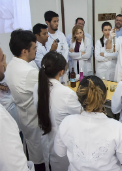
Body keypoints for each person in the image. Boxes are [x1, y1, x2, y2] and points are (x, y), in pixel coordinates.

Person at [54, 76, 122, 171]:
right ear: (104, 98)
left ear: (79, 98)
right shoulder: (116, 127)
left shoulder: (67, 122)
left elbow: (60, 152)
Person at [33, 51, 81, 171]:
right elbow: (81, 113)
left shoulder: (37, 87)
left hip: (46, 139)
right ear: (61, 72)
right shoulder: (66, 93)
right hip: (62, 145)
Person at [5, 29, 45, 170]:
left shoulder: (11, 65)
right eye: (34, 48)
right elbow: (49, 89)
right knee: (39, 155)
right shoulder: (29, 73)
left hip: (23, 115)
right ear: (24, 51)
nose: (36, 50)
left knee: (31, 149)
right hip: (34, 120)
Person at [0, 47, 35, 171]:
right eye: (1, 60)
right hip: (23, 113)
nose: (4, 62)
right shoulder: (2, 120)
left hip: (17, 111)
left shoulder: (13, 66)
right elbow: (14, 165)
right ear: (25, 50)